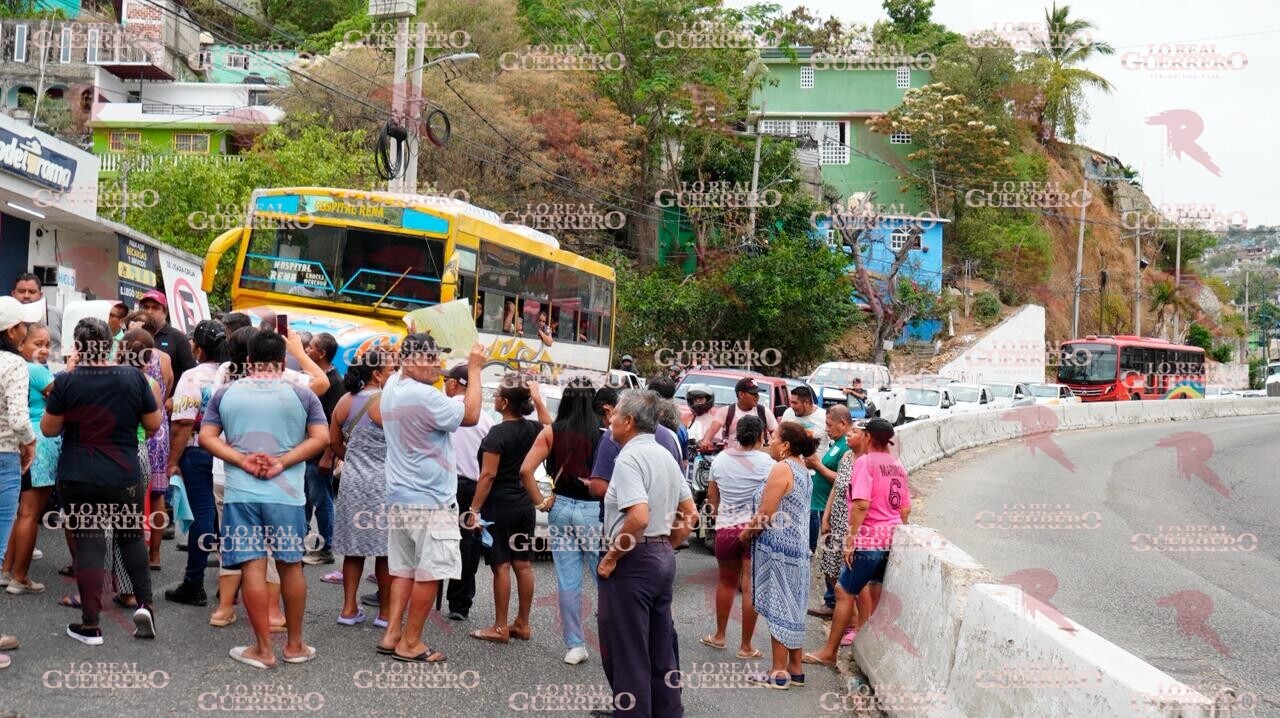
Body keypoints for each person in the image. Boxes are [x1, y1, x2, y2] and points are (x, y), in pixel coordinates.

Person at [199, 330, 329, 669]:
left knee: (252, 566)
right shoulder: (302, 396)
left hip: (242, 493)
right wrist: (282, 462)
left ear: (247, 360)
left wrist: (241, 460)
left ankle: (262, 649)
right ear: (282, 362)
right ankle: (296, 645)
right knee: (291, 566)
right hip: (287, 495)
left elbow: (206, 437)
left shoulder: (226, 394)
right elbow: (321, 437)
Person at [43, 317, 162, 645]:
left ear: (78, 347)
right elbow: (153, 422)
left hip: (78, 474)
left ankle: (91, 625)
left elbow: (49, 429)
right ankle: (146, 606)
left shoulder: (67, 382)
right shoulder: (132, 378)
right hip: (123, 474)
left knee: (90, 543)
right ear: (109, 343)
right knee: (131, 537)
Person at [376, 335, 485, 663]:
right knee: (430, 572)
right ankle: (410, 643)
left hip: (400, 495)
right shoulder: (426, 396)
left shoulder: (393, 386)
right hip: (431, 501)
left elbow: (401, 359)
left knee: (405, 570)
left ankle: (392, 633)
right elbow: (471, 415)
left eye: (437, 358)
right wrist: (476, 370)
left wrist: (414, 333)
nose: (436, 365)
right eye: (428, 359)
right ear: (409, 362)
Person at [597, 390, 698, 717]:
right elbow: (690, 513)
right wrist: (666, 544)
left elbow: (638, 517)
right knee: (660, 648)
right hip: (659, 557)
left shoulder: (627, 457)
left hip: (634, 560)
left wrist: (612, 557)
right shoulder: (665, 454)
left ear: (627, 421)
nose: (610, 419)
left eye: (615, 414)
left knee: (628, 652)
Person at [805, 418, 910, 667]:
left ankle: (829, 653)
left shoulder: (864, 463)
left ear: (868, 438)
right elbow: (905, 508)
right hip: (890, 540)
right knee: (871, 594)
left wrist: (851, 541)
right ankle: (866, 652)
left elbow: (861, 503)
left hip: (869, 540)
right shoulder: (897, 465)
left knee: (844, 591)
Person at [519, 381, 603, 664]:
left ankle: (575, 646)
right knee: (604, 574)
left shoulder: (551, 432)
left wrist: (541, 502)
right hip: (593, 512)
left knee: (569, 581)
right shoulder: (604, 436)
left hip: (561, 508)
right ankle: (614, 637)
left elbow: (525, 471)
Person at [740, 421, 817, 689]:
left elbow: (766, 512)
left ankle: (778, 672)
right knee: (793, 607)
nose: (769, 441)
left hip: (779, 552)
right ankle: (795, 669)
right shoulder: (803, 469)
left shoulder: (782, 468)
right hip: (797, 550)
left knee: (779, 606)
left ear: (785, 445)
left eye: (773, 438)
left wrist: (745, 534)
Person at [466, 377, 543, 644]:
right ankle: (522, 623)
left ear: (505, 402)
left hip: (500, 506)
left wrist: (473, 509)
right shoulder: (534, 428)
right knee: (523, 564)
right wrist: (539, 398)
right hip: (525, 504)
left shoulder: (497, 434)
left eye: (497, 393)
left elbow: (487, 475)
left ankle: (500, 627)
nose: (494, 397)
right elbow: (550, 426)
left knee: (501, 566)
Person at [164, 320, 227, 609]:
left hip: (198, 450)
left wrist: (172, 462)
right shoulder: (236, 374)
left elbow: (183, 423)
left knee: (202, 516)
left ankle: (194, 583)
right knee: (230, 520)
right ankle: (229, 586)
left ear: (198, 348)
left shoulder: (193, 377)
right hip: (230, 454)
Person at [330, 348, 395, 628]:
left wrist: (352, 459)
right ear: (377, 374)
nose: (394, 373)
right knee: (385, 551)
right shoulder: (389, 404)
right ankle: (384, 614)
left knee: (353, 549)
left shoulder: (345, 401)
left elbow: (333, 442)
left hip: (353, 483)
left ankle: (348, 609)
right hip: (384, 483)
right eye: (391, 369)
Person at [702, 414, 772, 659]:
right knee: (750, 588)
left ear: (736, 434)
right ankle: (745, 646)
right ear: (761, 435)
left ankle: (719, 636)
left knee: (726, 582)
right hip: (754, 530)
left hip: (727, 528)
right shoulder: (767, 462)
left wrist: (717, 520)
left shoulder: (720, 460)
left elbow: (712, 497)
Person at [2, 323, 58, 594]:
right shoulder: (33, 370)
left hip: (20, 442)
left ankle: (7, 570)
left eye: (48, 344)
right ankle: (20, 577)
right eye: (36, 343)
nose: (44, 349)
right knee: (30, 513)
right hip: (39, 442)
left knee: (16, 513)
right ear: (20, 343)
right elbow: (63, 400)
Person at [442, 363, 495, 622]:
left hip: (444, 485)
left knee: (437, 538)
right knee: (467, 543)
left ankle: (426, 596)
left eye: (446, 381)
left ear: (454, 384)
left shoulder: (442, 412)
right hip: (474, 488)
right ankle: (459, 604)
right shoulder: (486, 421)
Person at [812, 416, 868, 652]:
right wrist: (826, 517)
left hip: (851, 526)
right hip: (835, 520)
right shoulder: (847, 457)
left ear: (866, 437)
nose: (848, 435)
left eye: (853, 432)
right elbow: (837, 487)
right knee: (831, 569)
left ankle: (853, 623)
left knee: (848, 579)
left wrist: (852, 534)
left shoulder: (867, 463)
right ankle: (841, 615)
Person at [117, 329, 169, 571]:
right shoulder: (150, 384)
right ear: (150, 359)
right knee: (133, 517)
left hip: (104, 451)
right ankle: (130, 583)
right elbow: (152, 425)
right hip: (137, 450)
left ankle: (103, 578)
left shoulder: (104, 376)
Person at [0, 299, 41, 586]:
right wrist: (30, 443)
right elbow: (18, 418)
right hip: (4, 455)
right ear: (12, 331)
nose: (26, 330)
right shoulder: (14, 363)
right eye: (24, 325)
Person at [806, 405, 853, 620]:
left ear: (843, 423)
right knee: (827, 559)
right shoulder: (838, 445)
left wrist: (818, 466)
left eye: (830, 424)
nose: (827, 429)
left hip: (830, 509)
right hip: (822, 507)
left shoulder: (847, 447)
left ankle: (833, 602)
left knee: (832, 560)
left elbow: (843, 481)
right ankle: (830, 600)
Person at [303, 333, 344, 566]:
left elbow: (334, 424)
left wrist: (328, 455)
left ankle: (326, 547)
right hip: (307, 451)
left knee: (322, 500)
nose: (306, 350)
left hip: (319, 455)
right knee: (306, 500)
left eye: (311, 347)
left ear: (322, 354)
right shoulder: (312, 377)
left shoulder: (335, 382)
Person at [701, 378, 779, 451]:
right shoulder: (726, 411)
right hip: (733, 458)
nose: (757, 397)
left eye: (757, 394)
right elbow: (711, 431)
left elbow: (777, 434)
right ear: (741, 394)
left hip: (758, 458)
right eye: (753, 394)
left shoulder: (764, 412)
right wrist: (706, 441)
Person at [137, 290, 196, 388]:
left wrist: (174, 399)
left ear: (165, 312)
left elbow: (191, 373)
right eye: (146, 307)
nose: (149, 311)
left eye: (155, 308)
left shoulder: (178, 338)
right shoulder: (134, 335)